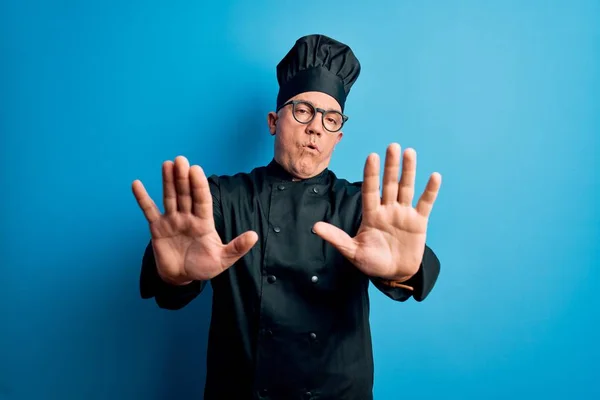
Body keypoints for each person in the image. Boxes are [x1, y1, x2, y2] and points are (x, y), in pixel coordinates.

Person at [132, 34, 442, 400]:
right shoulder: (220, 198)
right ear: (273, 122)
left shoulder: (363, 205)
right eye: (303, 110)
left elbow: (414, 266)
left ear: (338, 137)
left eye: (330, 119)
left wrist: (403, 271)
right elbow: (171, 287)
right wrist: (174, 275)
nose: (315, 127)